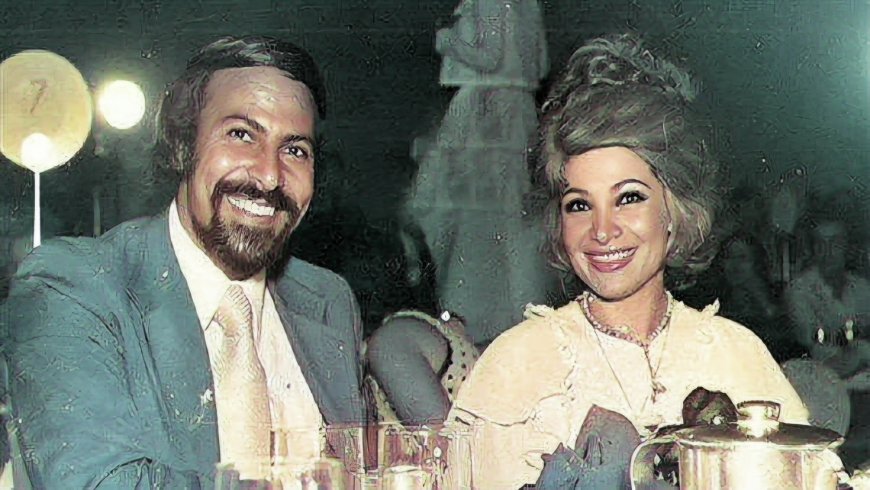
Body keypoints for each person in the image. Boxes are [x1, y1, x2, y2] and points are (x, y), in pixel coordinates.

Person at [445, 33, 809, 489]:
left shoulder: (736, 353)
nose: (602, 230)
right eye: (579, 205)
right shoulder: (518, 363)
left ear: (674, 209)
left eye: (629, 198)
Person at [2, 36, 367, 488]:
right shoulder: (71, 286)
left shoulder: (329, 300)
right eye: (241, 135)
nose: (270, 175)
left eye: (295, 150)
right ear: (182, 144)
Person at [406, 0, 557, 348]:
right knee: (508, 220)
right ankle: (511, 317)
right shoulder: (528, 5)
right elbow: (542, 64)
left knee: (474, 222)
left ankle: (475, 321)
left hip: (484, 114)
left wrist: (447, 40)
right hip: (517, 114)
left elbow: (489, 58)